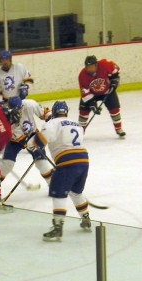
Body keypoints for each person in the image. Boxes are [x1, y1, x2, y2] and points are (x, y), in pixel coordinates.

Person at [27, 101, 92, 241]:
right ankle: (86, 218)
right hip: (84, 161)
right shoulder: (76, 124)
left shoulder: (53, 123)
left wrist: (31, 144)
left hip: (67, 162)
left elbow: (40, 140)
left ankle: (58, 227)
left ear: (54, 112)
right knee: (76, 192)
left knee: (59, 194)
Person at [0, 96, 54, 185]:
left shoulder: (29, 104)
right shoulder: (4, 116)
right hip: (14, 141)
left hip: (33, 135)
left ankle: (54, 185)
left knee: (41, 163)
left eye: (19, 109)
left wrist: (50, 118)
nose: (18, 112)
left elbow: (45, 113)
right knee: (6, 164)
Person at [78, 55, 125, 137]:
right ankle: (79, 132)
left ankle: (118, 129)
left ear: (96, 65)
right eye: (88, 67)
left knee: (115, 109)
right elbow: (85, 93)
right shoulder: (82, 75)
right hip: (91, 94)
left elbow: (116, 70)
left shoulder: (105, 64)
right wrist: (92, 105)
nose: (90, 69)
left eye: (92, 67)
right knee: (83, 112)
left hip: (106, 91)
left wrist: (114, 80)